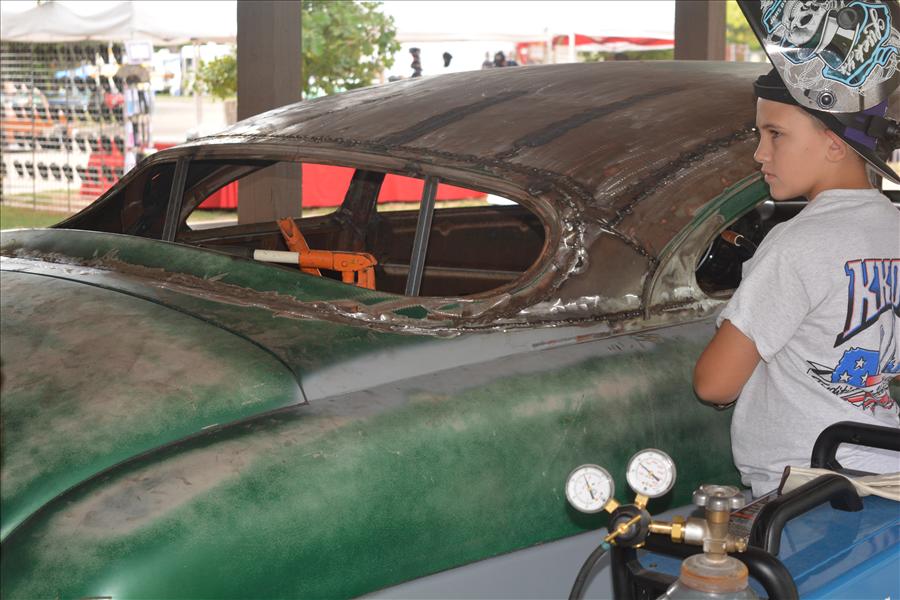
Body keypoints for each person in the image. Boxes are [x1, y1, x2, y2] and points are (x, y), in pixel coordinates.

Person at [693, 68, 900, 497]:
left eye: (775, 134)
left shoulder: (796, 242)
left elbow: (714, 384)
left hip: (807, 486)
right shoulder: (893, 228)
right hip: (886, 472)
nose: (760, 153)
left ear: (834, 143)